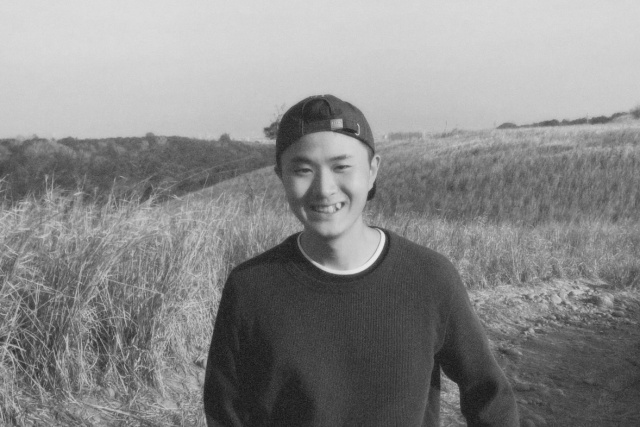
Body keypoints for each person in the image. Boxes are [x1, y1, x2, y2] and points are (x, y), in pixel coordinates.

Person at [203, 94, 519, 426]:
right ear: (281, 176)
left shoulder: (429, 278)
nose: (324, 189)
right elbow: (226, 412)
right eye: (303, 170)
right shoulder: (251, 287)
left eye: (341, 167)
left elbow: (490, 396)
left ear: (372, 171)